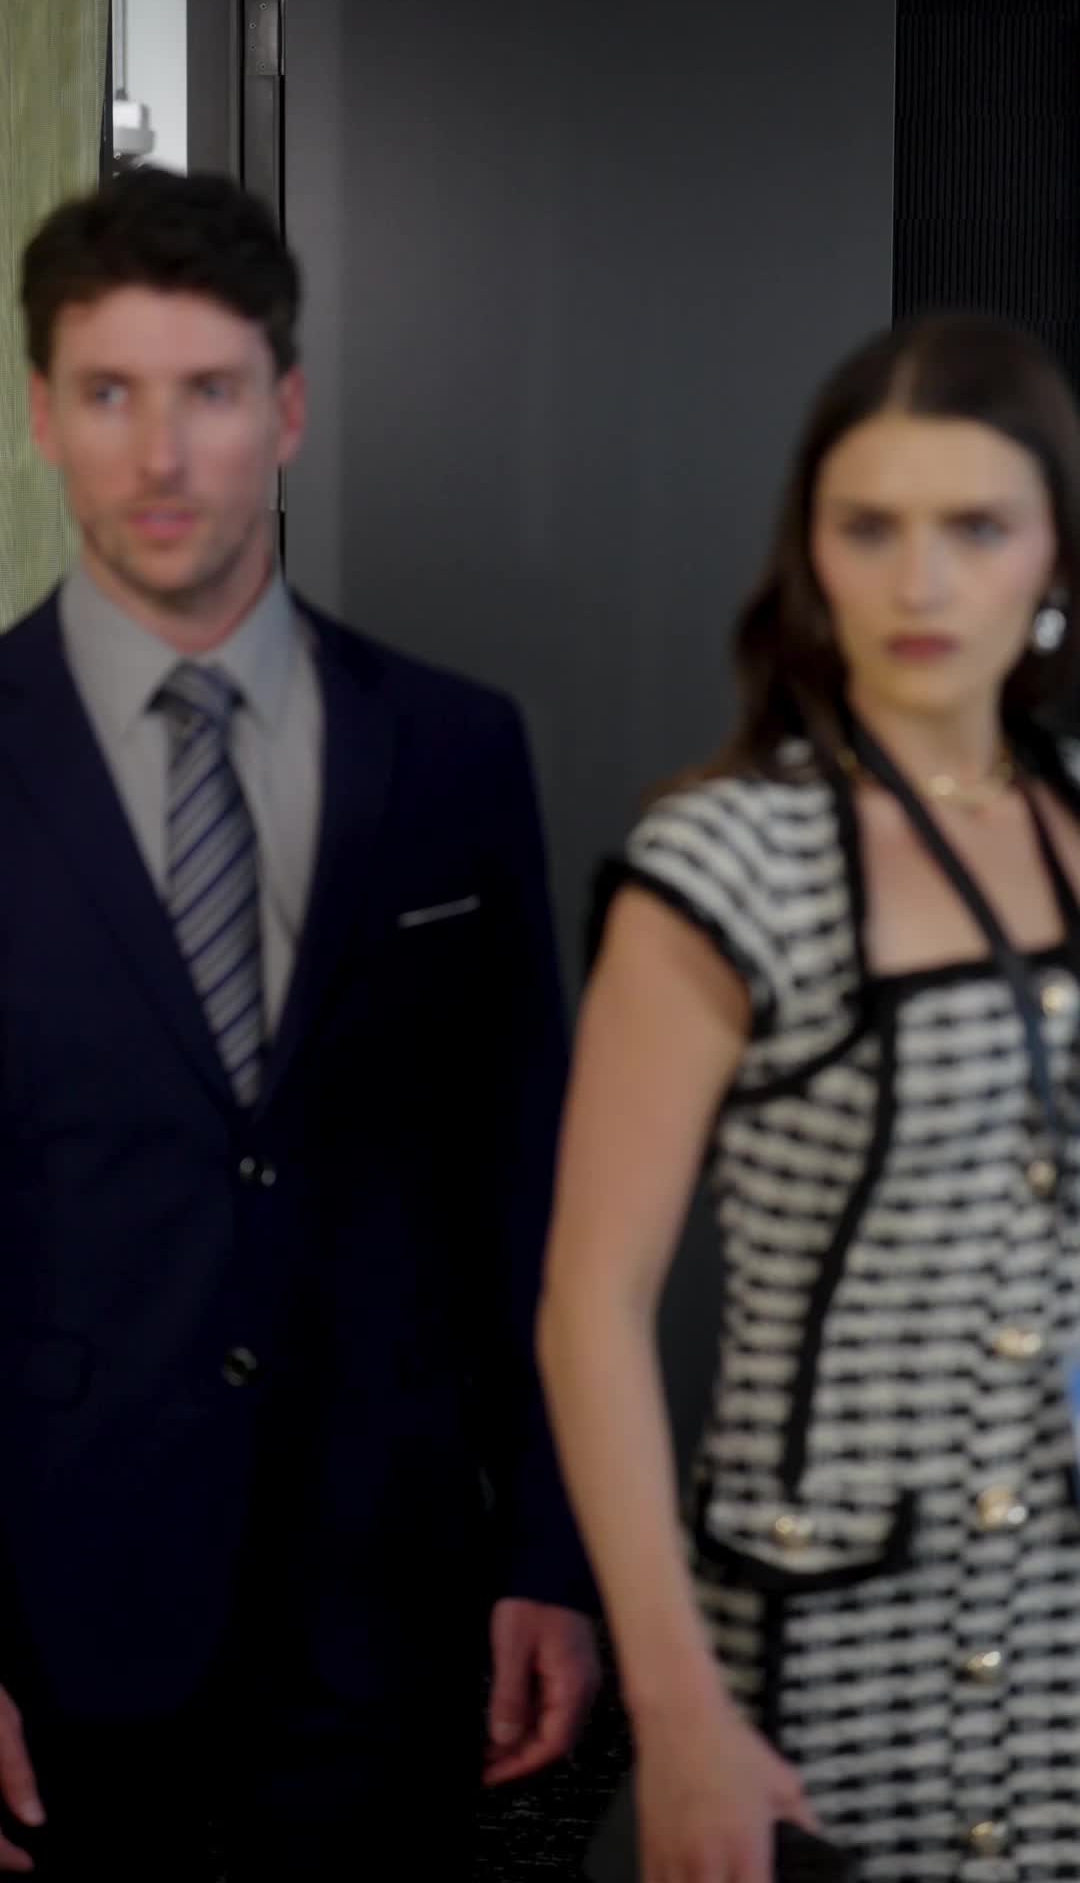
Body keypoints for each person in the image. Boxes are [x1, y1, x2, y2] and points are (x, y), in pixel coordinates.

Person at [0, 165, 600, 1881]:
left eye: (209, 391)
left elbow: (528, 1185)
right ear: (42, 416)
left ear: (287, 410)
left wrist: (553, 1551)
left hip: (389, 1614)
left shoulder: (458, 751)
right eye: (110, 393)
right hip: (60, 1618)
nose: (160, 455)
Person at [536, 311, 1080, 1882]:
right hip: (829, 1622)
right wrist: (677, 1713)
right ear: (810, 553)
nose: (922, 584)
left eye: (975, 528)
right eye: (871, 528)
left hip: (1059, 1604)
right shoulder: (723, 864)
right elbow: (590, 1306)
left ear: (1052, 552)